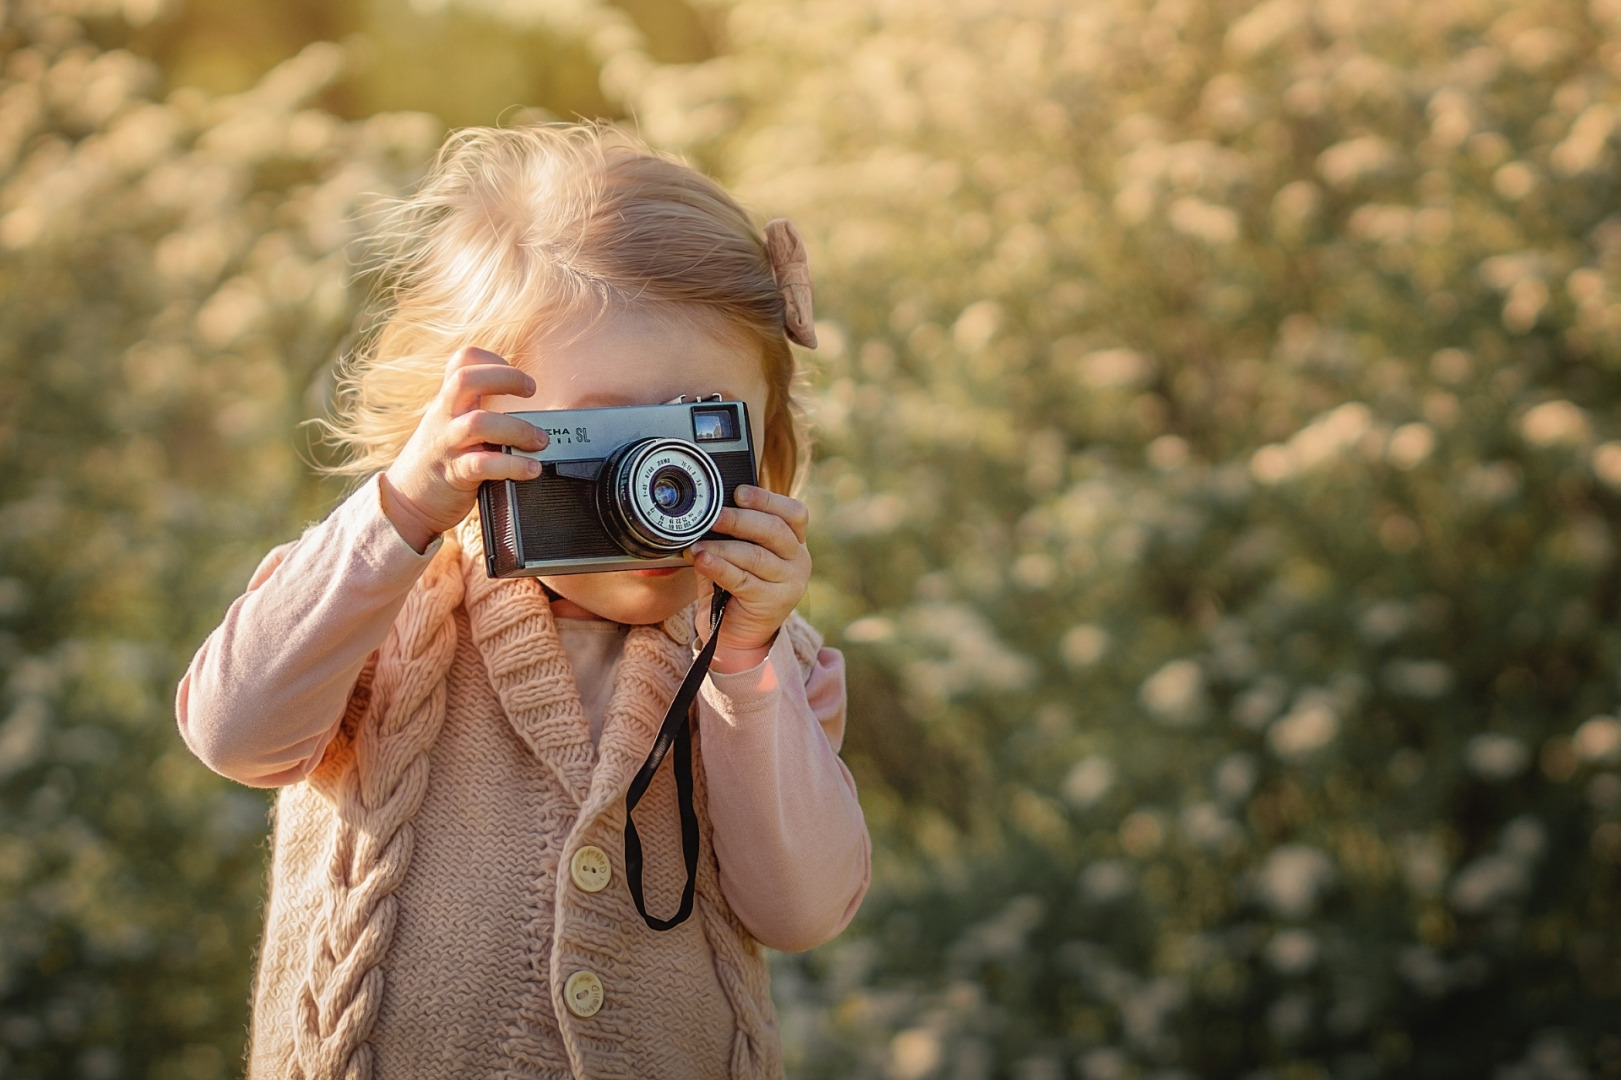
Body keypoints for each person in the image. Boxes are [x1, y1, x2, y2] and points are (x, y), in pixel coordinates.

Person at [175, 123, 870, 1080]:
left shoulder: (772, 660)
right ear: (471, 435)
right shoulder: (386, 603)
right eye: (604, 435)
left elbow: (801, 910)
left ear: (768, 448)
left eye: (695, 436)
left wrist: (744, 671)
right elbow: (234, 733)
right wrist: (399, 514)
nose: (654, 481)